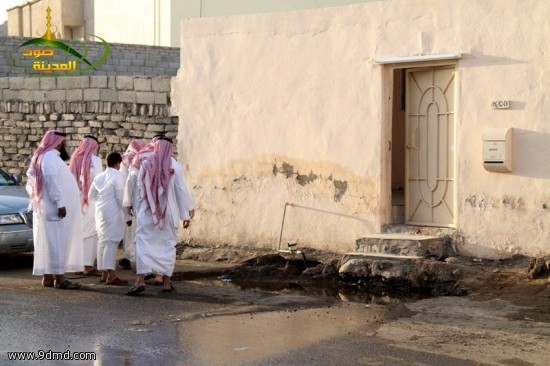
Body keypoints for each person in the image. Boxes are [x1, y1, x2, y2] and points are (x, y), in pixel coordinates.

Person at [126, 137, 194, 295]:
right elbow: (181, 191)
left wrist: (135, 208)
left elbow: (139, 190)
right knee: (167, 246)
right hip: (169, 214)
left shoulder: (145, 164)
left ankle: (140, 280)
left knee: (143, 244)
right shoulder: (174, 166)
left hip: (147, 213)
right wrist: (186, 215)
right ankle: (166, 282)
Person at [26, 130, 84, 289]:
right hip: (54, 209)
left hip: (47, 208)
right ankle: (60, 279)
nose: (63, 145)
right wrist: (59, 202)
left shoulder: (40, 156)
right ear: (57, 142)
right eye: (62, 142)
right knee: (57, 243)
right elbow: (51, 179)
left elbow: (30, 182)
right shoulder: (50, 157)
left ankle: (48, 277)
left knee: (49, 243)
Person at [89, 152, 130, 286]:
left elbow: (91, 195)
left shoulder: (99, 177)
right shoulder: (117, 177)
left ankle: (104, 274)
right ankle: (111, 275)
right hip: (112, 213)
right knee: (111, 242)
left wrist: (103, 201)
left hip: (100, 212)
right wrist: (128, 216)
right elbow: (120, 199)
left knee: (102, 241)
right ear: (118, 164)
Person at [68, 135, 104, 276]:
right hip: (91, 201)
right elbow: (99, 182)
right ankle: (87, 265)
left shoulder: (74, 158)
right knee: (91, 232)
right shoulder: (96, 160)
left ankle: (76, 264)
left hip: (77, 200)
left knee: (78, 231)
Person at [118, 139, 146, 270]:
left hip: (130, 201)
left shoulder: (126, 161)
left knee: (131, 231)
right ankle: (132, 257)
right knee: (134, 230)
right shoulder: (134, 161)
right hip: (133, 202)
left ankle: (129, 257)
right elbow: (126, 183)